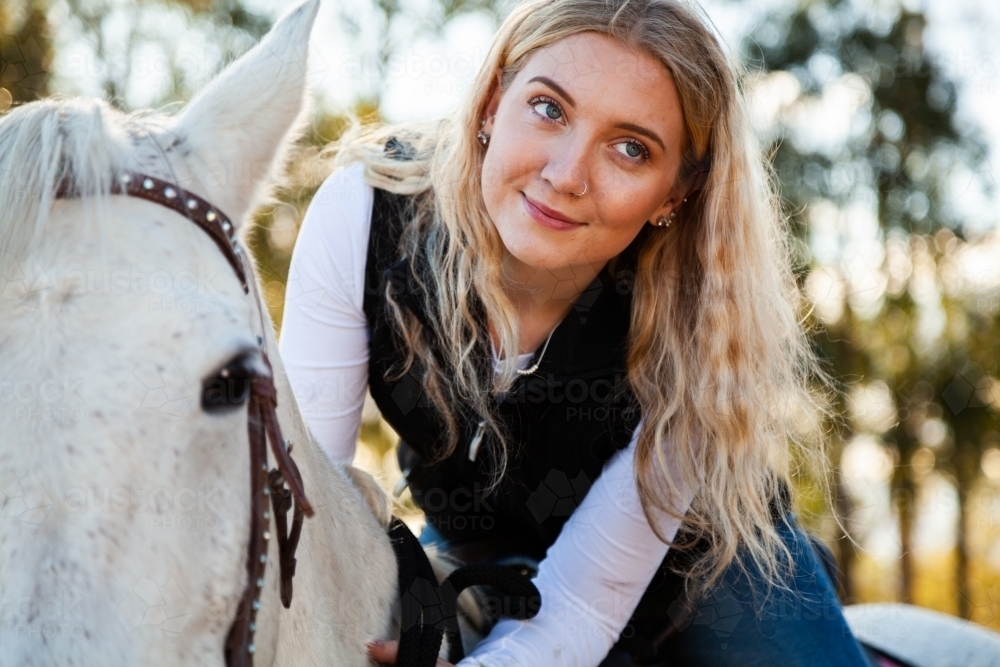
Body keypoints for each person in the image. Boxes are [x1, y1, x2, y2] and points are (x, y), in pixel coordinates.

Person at [279, 0, 873, 665]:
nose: (565, 176)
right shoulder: (367, 211)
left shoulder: (697, 321)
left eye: (631, 149)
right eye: (548, 108)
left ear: (676, 193)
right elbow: (304, 498)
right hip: (477, 554)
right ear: (492, 103)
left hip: (705, 575)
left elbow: (585, 605)